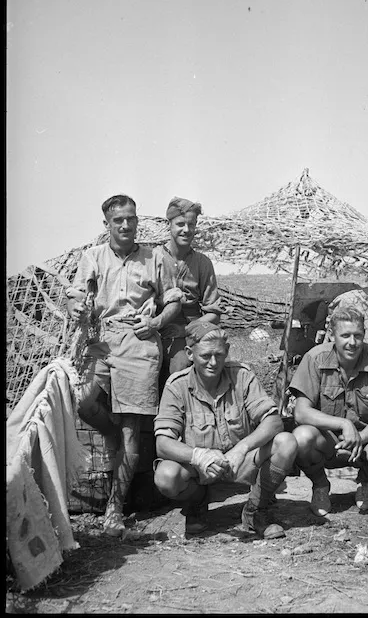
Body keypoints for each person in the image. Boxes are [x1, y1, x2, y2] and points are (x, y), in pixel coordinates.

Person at [66, 194, 182, 536]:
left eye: (131, 219)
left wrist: (157, 322)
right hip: (101, 340)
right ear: (107, 225)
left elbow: (173, 301)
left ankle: (114, 508)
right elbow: (76, 293)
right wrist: (75, 305)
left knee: (133, 428)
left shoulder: (155, 257)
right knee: (83, 401)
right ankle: (114, 437)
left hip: (139, 341)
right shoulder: (93, 257)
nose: (127, 225)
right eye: (119, 220)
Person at [153, 321, 298, 538]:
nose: (213, 362)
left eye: (219, 355)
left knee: (286, 442)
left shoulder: (242, 376)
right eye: (205, 356)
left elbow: (274, 421)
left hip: (240, 462)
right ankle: (197, 503)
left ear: (227, 352)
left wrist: (241, 449)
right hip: (200, 468)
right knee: (166, 476)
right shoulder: (177, 386)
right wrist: (198, 456)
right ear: (189, 354)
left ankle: (256, 510)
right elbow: (162, 444)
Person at [290, 306, 368, 516]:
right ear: (332, 335)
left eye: (357, 335)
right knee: (301, 439)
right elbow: (301, 413)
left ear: (364, 335)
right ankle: (320, 485)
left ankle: (366, 481)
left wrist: (359, 438)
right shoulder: (315, 358)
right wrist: (344, 424)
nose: (352, 342)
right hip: (328, 439)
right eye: (345, 335)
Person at [155, 196, 222, 392]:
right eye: (180, 224)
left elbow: (214, 313)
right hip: (156, 328)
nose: (186, 230)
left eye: (191, 224)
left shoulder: (202, 263)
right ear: (169, 224)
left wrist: (186, 330)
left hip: (190, 333)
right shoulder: (154, 258)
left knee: (181, 365)